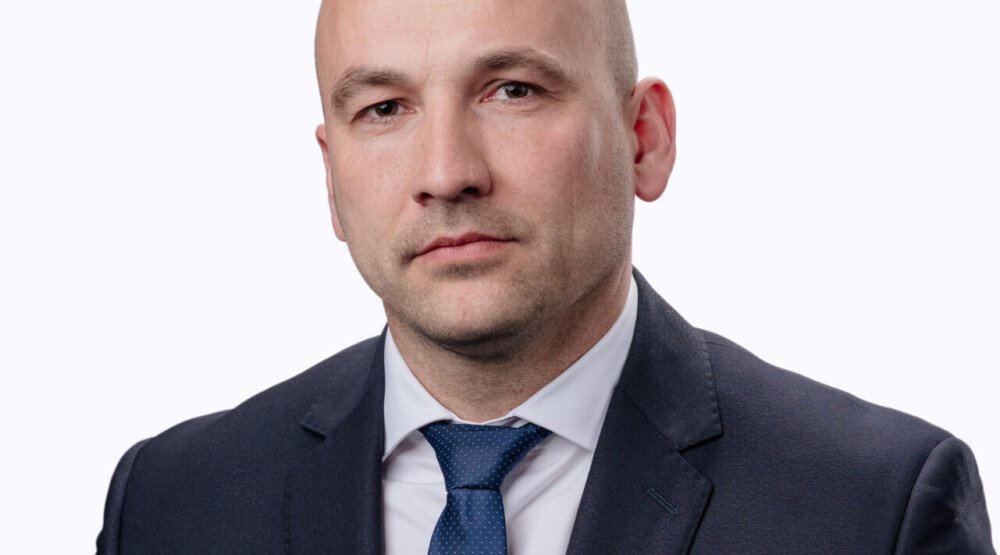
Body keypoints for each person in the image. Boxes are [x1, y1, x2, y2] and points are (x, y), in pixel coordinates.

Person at [97, 0, 994, 552]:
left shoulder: (871, 510)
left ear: (644, 138)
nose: (447, 172)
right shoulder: (172, 508)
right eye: (385, 107)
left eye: (512, 90)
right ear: (331, 180)